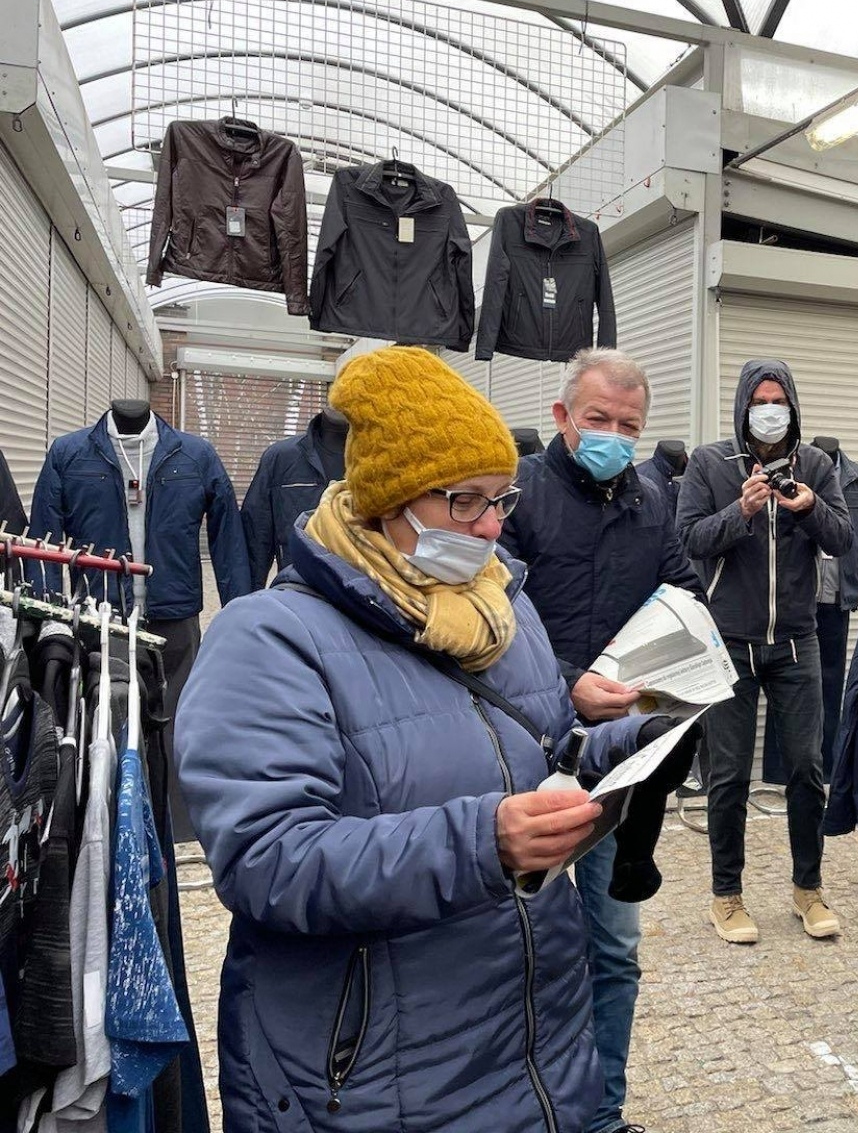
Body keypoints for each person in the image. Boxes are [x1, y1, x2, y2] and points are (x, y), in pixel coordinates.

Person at [176, 346, 671, 1133]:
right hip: (374, 1081)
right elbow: (266, 860)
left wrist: (630, 747)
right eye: (464, 501)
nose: (491, 525)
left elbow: (545, 752)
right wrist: (485, 842)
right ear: (387, 499)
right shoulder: (270, 639)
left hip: (532, 1056)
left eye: (501, 498)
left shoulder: (500, 610)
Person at [497, 347, 702, 1133]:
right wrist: (568, 678)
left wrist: (675, 667)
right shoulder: (519, 496)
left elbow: (680, 591)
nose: (616, 435)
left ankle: (598, 1114)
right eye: (599, 420)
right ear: (562, 417)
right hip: (524, 751)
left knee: (612, 949)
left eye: (630, 425)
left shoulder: (652, 497)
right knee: (518, 947)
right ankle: (514, 1104)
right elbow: (489, 617)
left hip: (619, 761)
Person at [677, 360, 853, 944]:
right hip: (729, 640)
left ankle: (808, 890)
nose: (770, 411)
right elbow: (689, 540)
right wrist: (742, 511)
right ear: (744, 407)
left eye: (780, 400)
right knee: (727, 775)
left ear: (793, 407)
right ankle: (726, 897)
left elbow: (844, 539)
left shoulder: (818, 467)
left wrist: (807, 507)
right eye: (761, 400)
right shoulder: (709, 464)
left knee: (807, 768)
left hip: (797, 641)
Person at [240, 406, 348, 589]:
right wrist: (248, 601)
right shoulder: (281, 458)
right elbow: (256, 538)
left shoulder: (380, 458)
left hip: (366, 599)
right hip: (299, 589)